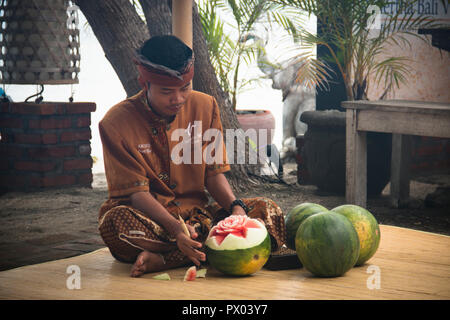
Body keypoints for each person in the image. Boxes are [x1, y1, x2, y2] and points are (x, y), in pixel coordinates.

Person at [98, 35, 286, 277]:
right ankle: (210, 250)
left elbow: (213, 175)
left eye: (184, 88)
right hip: (151, 220)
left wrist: (235, 207)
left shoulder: (206, 106)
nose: (178, 99)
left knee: (268, 210)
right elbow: (137, 194)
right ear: (144, 83)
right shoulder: (115, 123)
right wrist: (176, 229)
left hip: (199, 217)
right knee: (116, 223)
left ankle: (166, 260)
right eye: (167, 92)